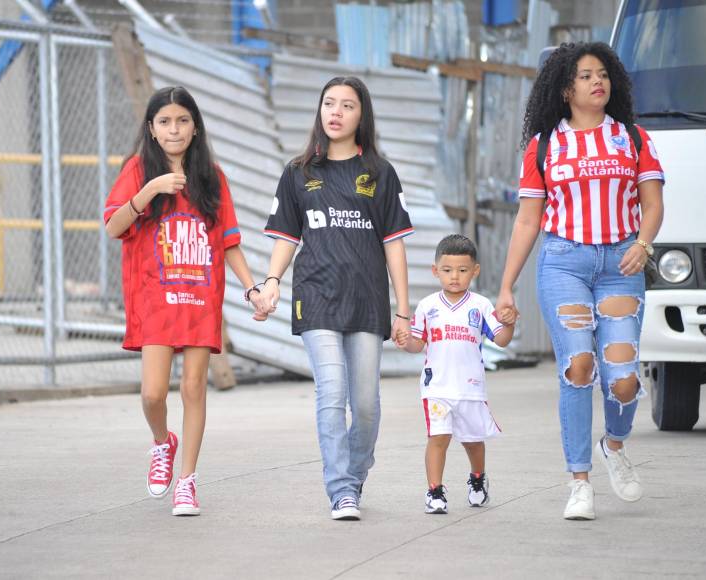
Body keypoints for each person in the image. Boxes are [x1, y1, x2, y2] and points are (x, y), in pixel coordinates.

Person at [495, 42, 665, 521]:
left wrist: (644, 243)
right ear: (566, 88)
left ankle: (613, 445)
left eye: (604, 74)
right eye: (586, 75)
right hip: (564, 264)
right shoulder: (545, 146)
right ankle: (579, 482)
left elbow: (652, 203)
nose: (598, 82)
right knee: (579, 366)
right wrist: (506, 286)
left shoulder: (632, 138)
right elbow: (528, 220)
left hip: (621, 266)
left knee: (625, 381)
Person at [253, 76, 414, 521]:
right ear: (320, 111)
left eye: (347, 105)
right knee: (332, 390)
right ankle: (340, 489)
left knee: (364, 404)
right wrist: (271, 281)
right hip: (316, 295)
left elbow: (394, 243)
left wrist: (403, 309)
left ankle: (355, 474)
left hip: (366, 299)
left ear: (362, 115)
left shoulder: (379, 172)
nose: (336, 112)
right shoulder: (299, 172)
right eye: (329, 103)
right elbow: (286, 236)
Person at [104, 86, 267, 517]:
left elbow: (229, 243)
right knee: (152, 394)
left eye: (182, 121)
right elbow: (113, 226)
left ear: (195, 128)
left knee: (194, 388)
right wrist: (151, 190)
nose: (173, 129)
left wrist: (252, 288)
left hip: (199, 298)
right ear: (152, 130)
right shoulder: (138, 170)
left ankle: (187, 481)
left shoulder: (212, 178)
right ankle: (163, 442)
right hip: (155, 299)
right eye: (164, 122)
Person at [396, 234, 515, 514]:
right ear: (436, 270)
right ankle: (435, 492)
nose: (454, 277)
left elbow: (502, 340)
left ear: (475, 271)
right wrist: (405, 342)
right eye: (447, 270)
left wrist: (509, 323)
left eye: (462, 271)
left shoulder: (481, 306)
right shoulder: (428, 306)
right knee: (438, 438)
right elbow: (417, 343)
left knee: (473, 442)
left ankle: (477, 479)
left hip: (470, 387)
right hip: (436, 387)